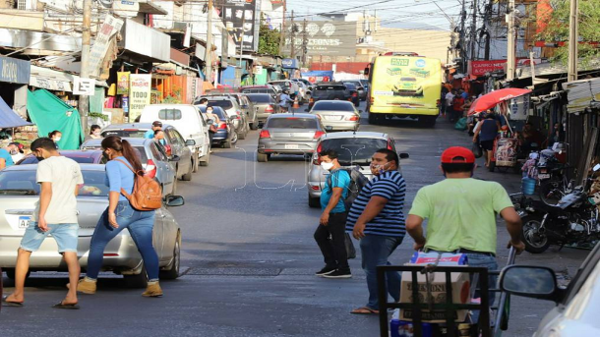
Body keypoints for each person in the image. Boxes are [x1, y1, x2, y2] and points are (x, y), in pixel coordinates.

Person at [406, 147, 525, 311]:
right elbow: (513, 219)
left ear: (441, 168)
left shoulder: (427, 191)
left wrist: (420, 241)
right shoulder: (492, 188)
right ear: (474, 167)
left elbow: (412, 224)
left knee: (437, 310)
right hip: (479, 259)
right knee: (478, 311)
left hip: (438, 259)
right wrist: (516, 241)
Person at [74, 136, 163, 297]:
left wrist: (111, 212)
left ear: (108, 150)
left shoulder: (113, 164)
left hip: (123, 207)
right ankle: (154, 285)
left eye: (104, 150)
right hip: (144, 208)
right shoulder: (132, 162)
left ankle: (89, 282)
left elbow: (114, 189)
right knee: (146, 247)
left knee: (98, 242)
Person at [3, 137, 84, 309]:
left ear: (40, 150)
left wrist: (41, 215)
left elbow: (46, 190)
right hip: (68, 216)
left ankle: (18, 293)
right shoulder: (73, 164)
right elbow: (77, 188)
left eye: (34, 153)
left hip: (47, 216)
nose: (35, 156)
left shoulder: (45, 165)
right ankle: (72, 295)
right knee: (70, 254)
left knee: (24, 251)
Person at [346, 149, 407, 315]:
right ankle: (403, 299)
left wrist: (361, 221)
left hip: (380, 230)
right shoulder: (385, 178)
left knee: (373, 268)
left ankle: (376, 305)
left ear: (391, 163)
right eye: (373, 159)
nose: (373, 163)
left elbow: (378, 202)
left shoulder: (387, 178)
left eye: (379, 160)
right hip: (383, 230)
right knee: (381, 265)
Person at [314, 150, 352, 279]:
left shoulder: (339, 174)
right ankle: (331, 264)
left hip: (336, 213)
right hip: (332, 213)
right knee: (320, 236)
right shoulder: (333, 174)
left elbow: (337, 195)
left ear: (334, 160)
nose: (323, 164)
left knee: (338, 241)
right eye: (321, 161)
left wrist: (326, 212)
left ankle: (343, 268)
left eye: (325, 161)